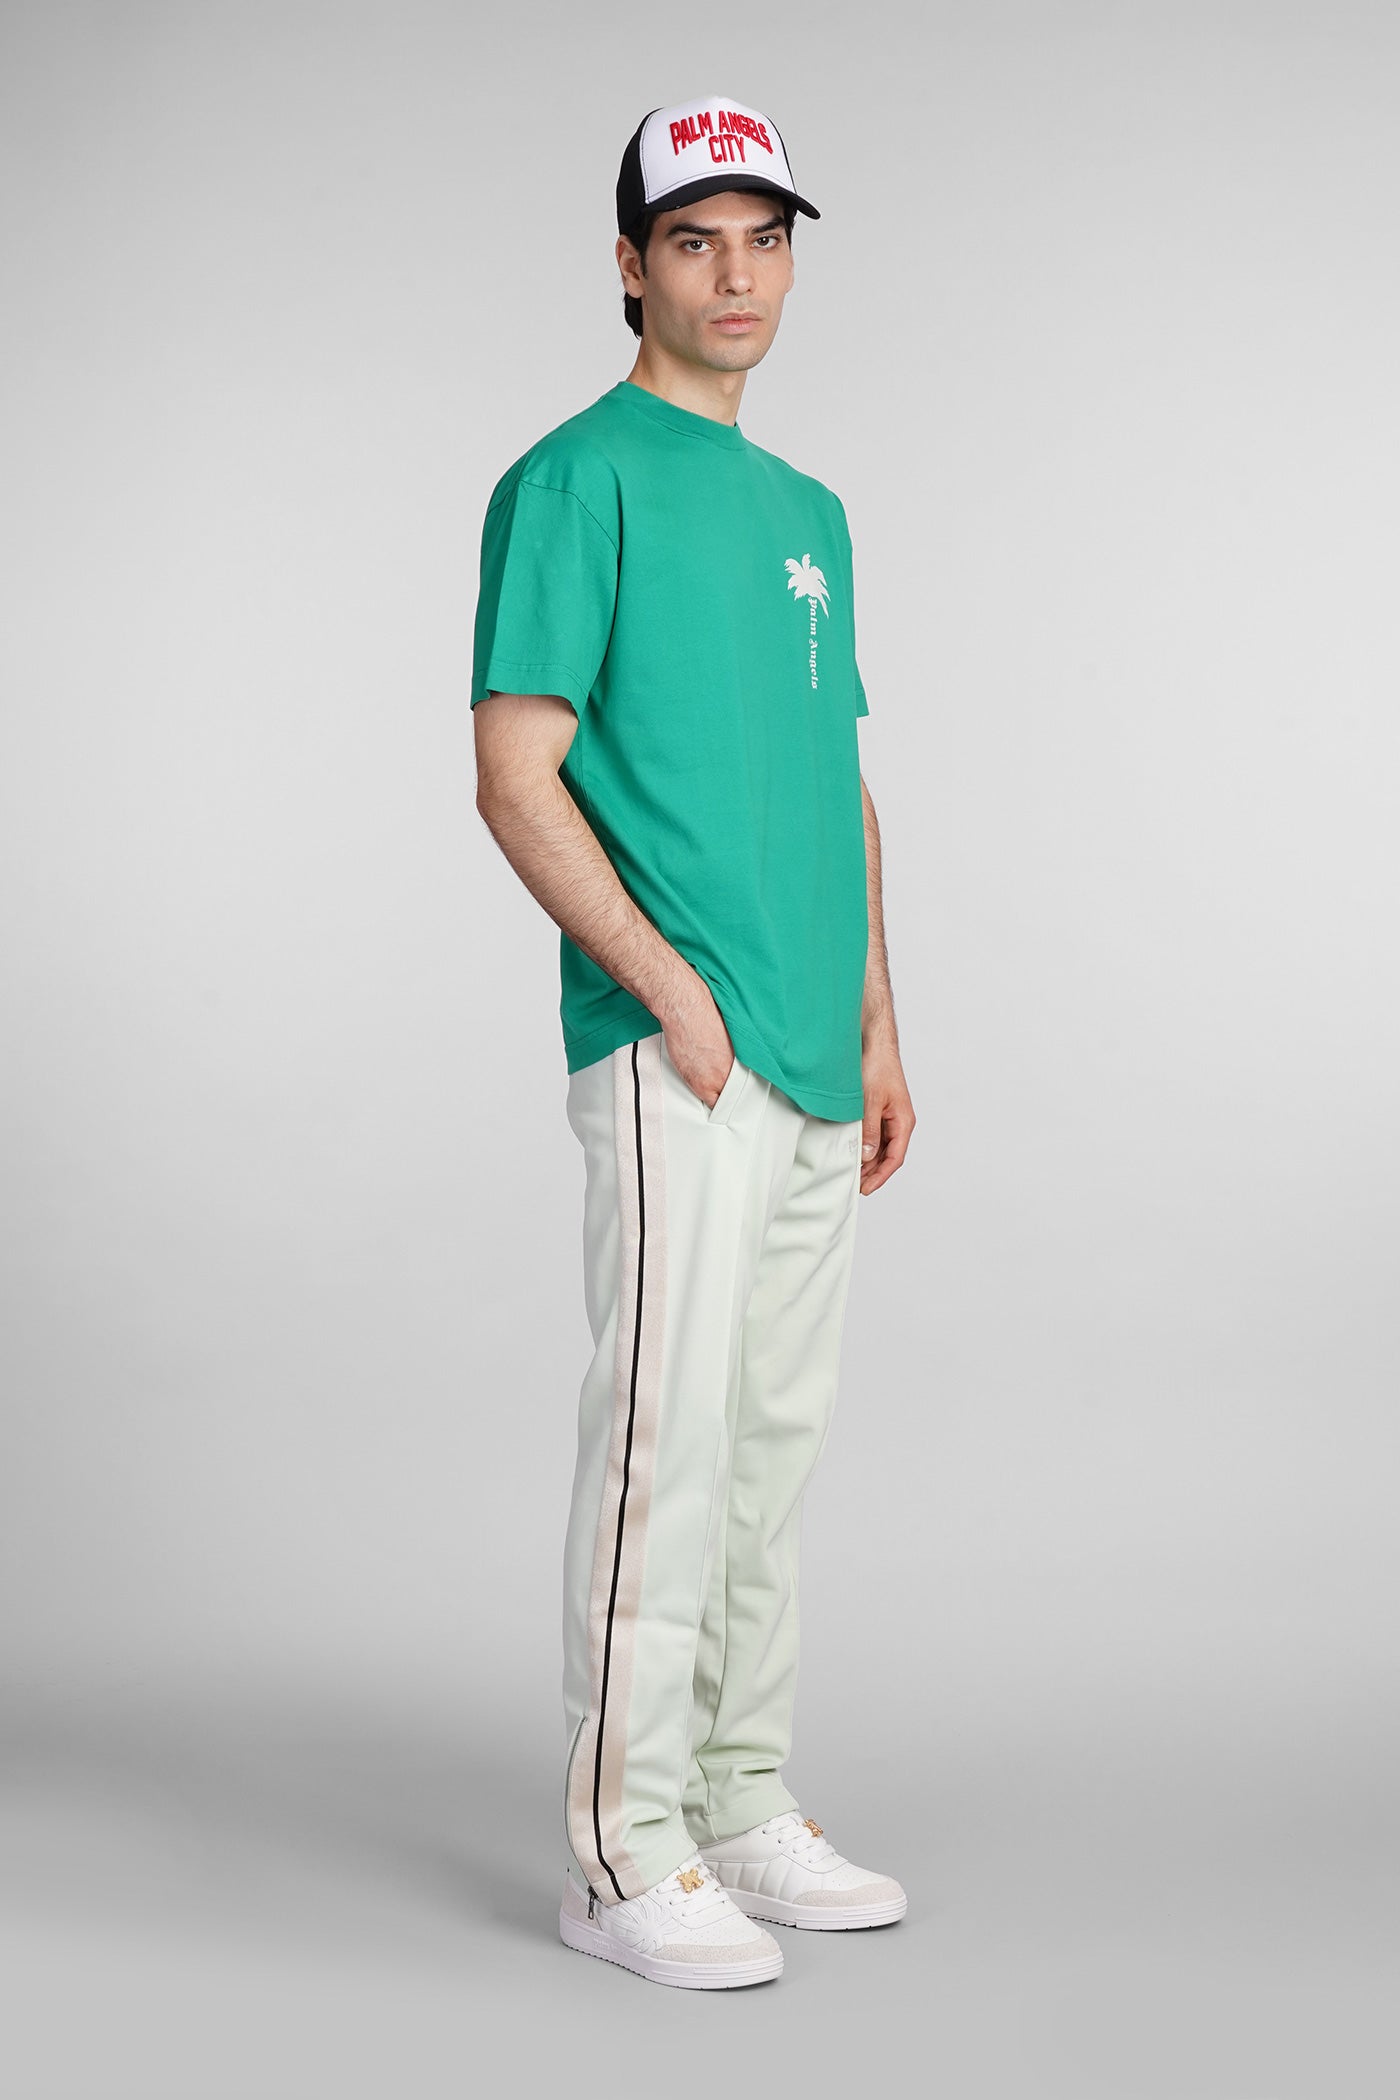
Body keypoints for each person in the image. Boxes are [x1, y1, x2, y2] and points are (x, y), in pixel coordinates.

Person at [469, 91, 915, 1991]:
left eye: (766, 240)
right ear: (631, 265)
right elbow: (515, 769)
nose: (737, 275)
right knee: (667, 1443)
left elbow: (838, 777)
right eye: (695, 239)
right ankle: (620, 1848)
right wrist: (669, 989)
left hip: (813, 1051)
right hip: (686, 1051)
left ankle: (737, 1798)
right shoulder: (576, 481)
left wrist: (879, 1016)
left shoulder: (811, 513)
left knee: (770, 1453)